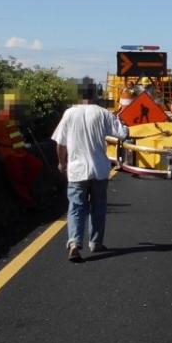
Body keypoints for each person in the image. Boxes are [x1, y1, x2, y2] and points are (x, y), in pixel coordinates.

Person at [52, 78, 129, 261]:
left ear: (79, 94)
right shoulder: (103, 113)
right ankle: (96, 243)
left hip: (77, 170)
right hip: (100, 170)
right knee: (98, 207)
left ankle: (74, 243)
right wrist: (121, 121)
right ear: (96, 94)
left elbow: (60, 143)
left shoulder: (69, 114)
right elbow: (122, 133)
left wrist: (61, 163)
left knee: (77, 207)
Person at [0, 92, 44, 209]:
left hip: (20, 152)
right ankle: (28, 203)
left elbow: (16, 135)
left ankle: (27, 192)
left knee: (37, 165)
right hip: (9, 154)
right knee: (18, 179)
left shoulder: (13, 118)